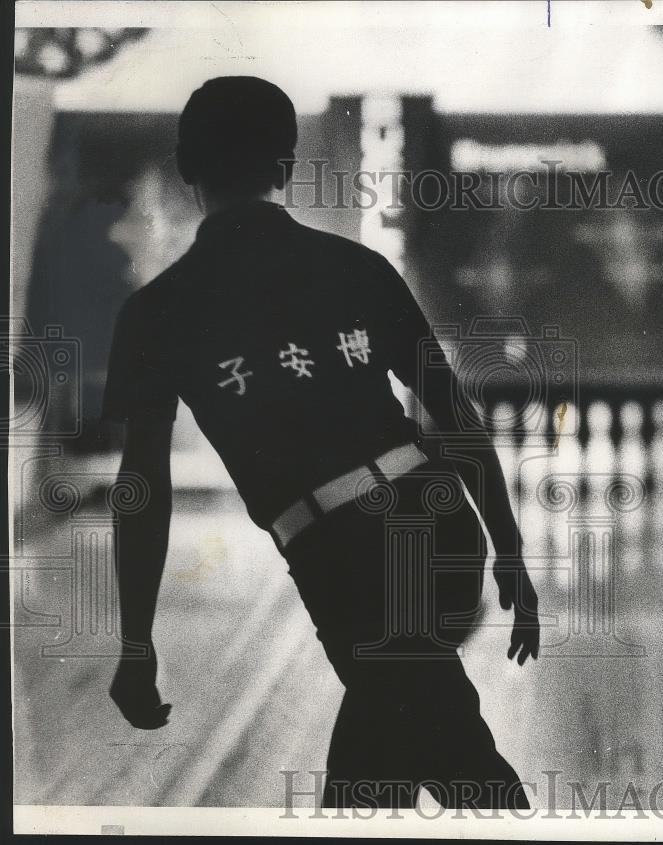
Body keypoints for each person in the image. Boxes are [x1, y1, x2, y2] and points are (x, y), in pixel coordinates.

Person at [103, 76, 540, 809]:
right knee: (395, 759)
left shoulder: (155, 313)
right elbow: (454, 418)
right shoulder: (357, 267)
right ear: (287, 168)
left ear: (185, 169)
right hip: (435, 524)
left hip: (345, 556)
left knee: (433, 753)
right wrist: (508, 550)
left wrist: (136, 642)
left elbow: (141, 486)